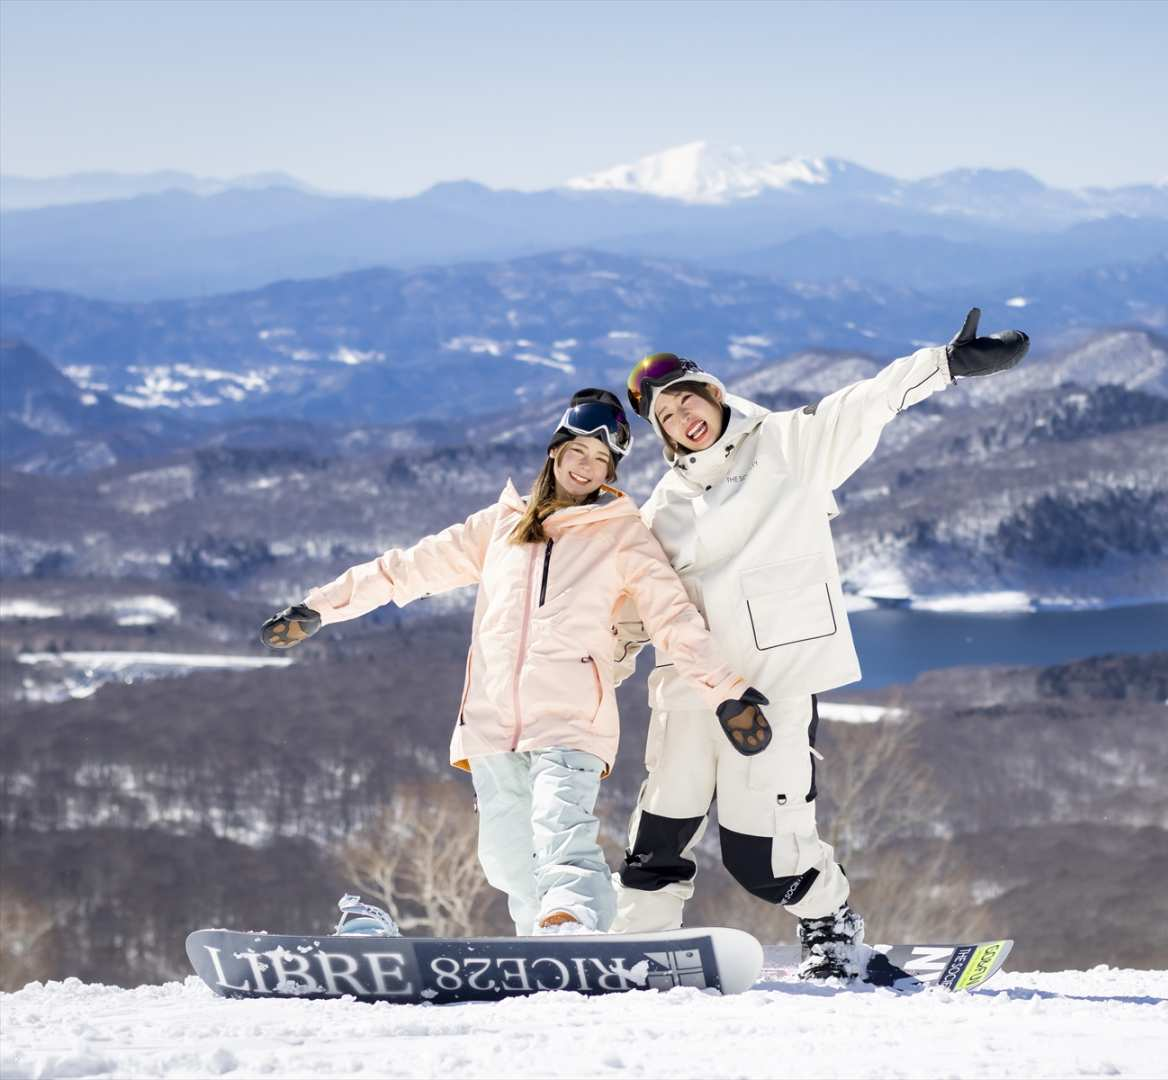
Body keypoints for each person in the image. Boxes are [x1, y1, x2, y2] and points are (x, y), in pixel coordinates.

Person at [257, 389, 769, 937]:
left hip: (571, 721)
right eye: (580, 452)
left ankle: (575, 923)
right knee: (506, 860)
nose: (588, 467)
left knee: (560, 831)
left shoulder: (622, 536)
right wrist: (320, 608)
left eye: (603, 461)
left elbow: (672, 617)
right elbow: (403, 570)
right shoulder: (498, 526)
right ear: (555, 451)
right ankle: (545, 949)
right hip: (491, 725)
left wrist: (726, 693)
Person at [611, 308, 1029, 979]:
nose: (682, 420)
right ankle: (638, 945)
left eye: (687, 401)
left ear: (715, 394)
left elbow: (867, 401)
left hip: (771, 688)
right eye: (665, 418)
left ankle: (831, 928)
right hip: (691, 688)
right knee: (659, 828)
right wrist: (584, 675)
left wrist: (946, 363)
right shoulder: (664, 506)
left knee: (761, 854)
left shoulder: (787, 447)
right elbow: (636, 607)